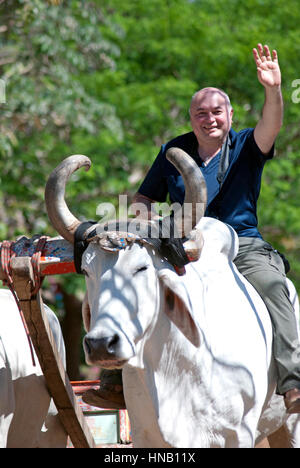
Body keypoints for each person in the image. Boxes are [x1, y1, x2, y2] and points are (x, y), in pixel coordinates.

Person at [83, 43, 300, 414]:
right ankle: (116, 379)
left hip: (241, 243)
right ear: (191, 118)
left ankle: (293, 382)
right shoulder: (173, 150)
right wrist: (139, 224)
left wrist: (273, 88)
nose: (209, 118)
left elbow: (272, 123)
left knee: (273, 284)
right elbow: (144, 200)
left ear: (230, 114)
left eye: (217, 111)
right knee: (129, 275)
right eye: (201, 113)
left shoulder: (247, 143)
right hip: (182, 243)